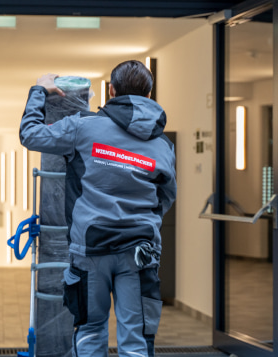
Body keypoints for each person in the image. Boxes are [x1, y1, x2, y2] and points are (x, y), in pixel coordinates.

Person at [19, 61, 176, 357]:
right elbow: (165, 196)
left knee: (91, 331)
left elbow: (31, 135)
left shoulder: (83, 127)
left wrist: (39, 88)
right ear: (149, 92)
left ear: (111, 90)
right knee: (138, 341)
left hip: (90, 249)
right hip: (140, 252)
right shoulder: (163, 145)